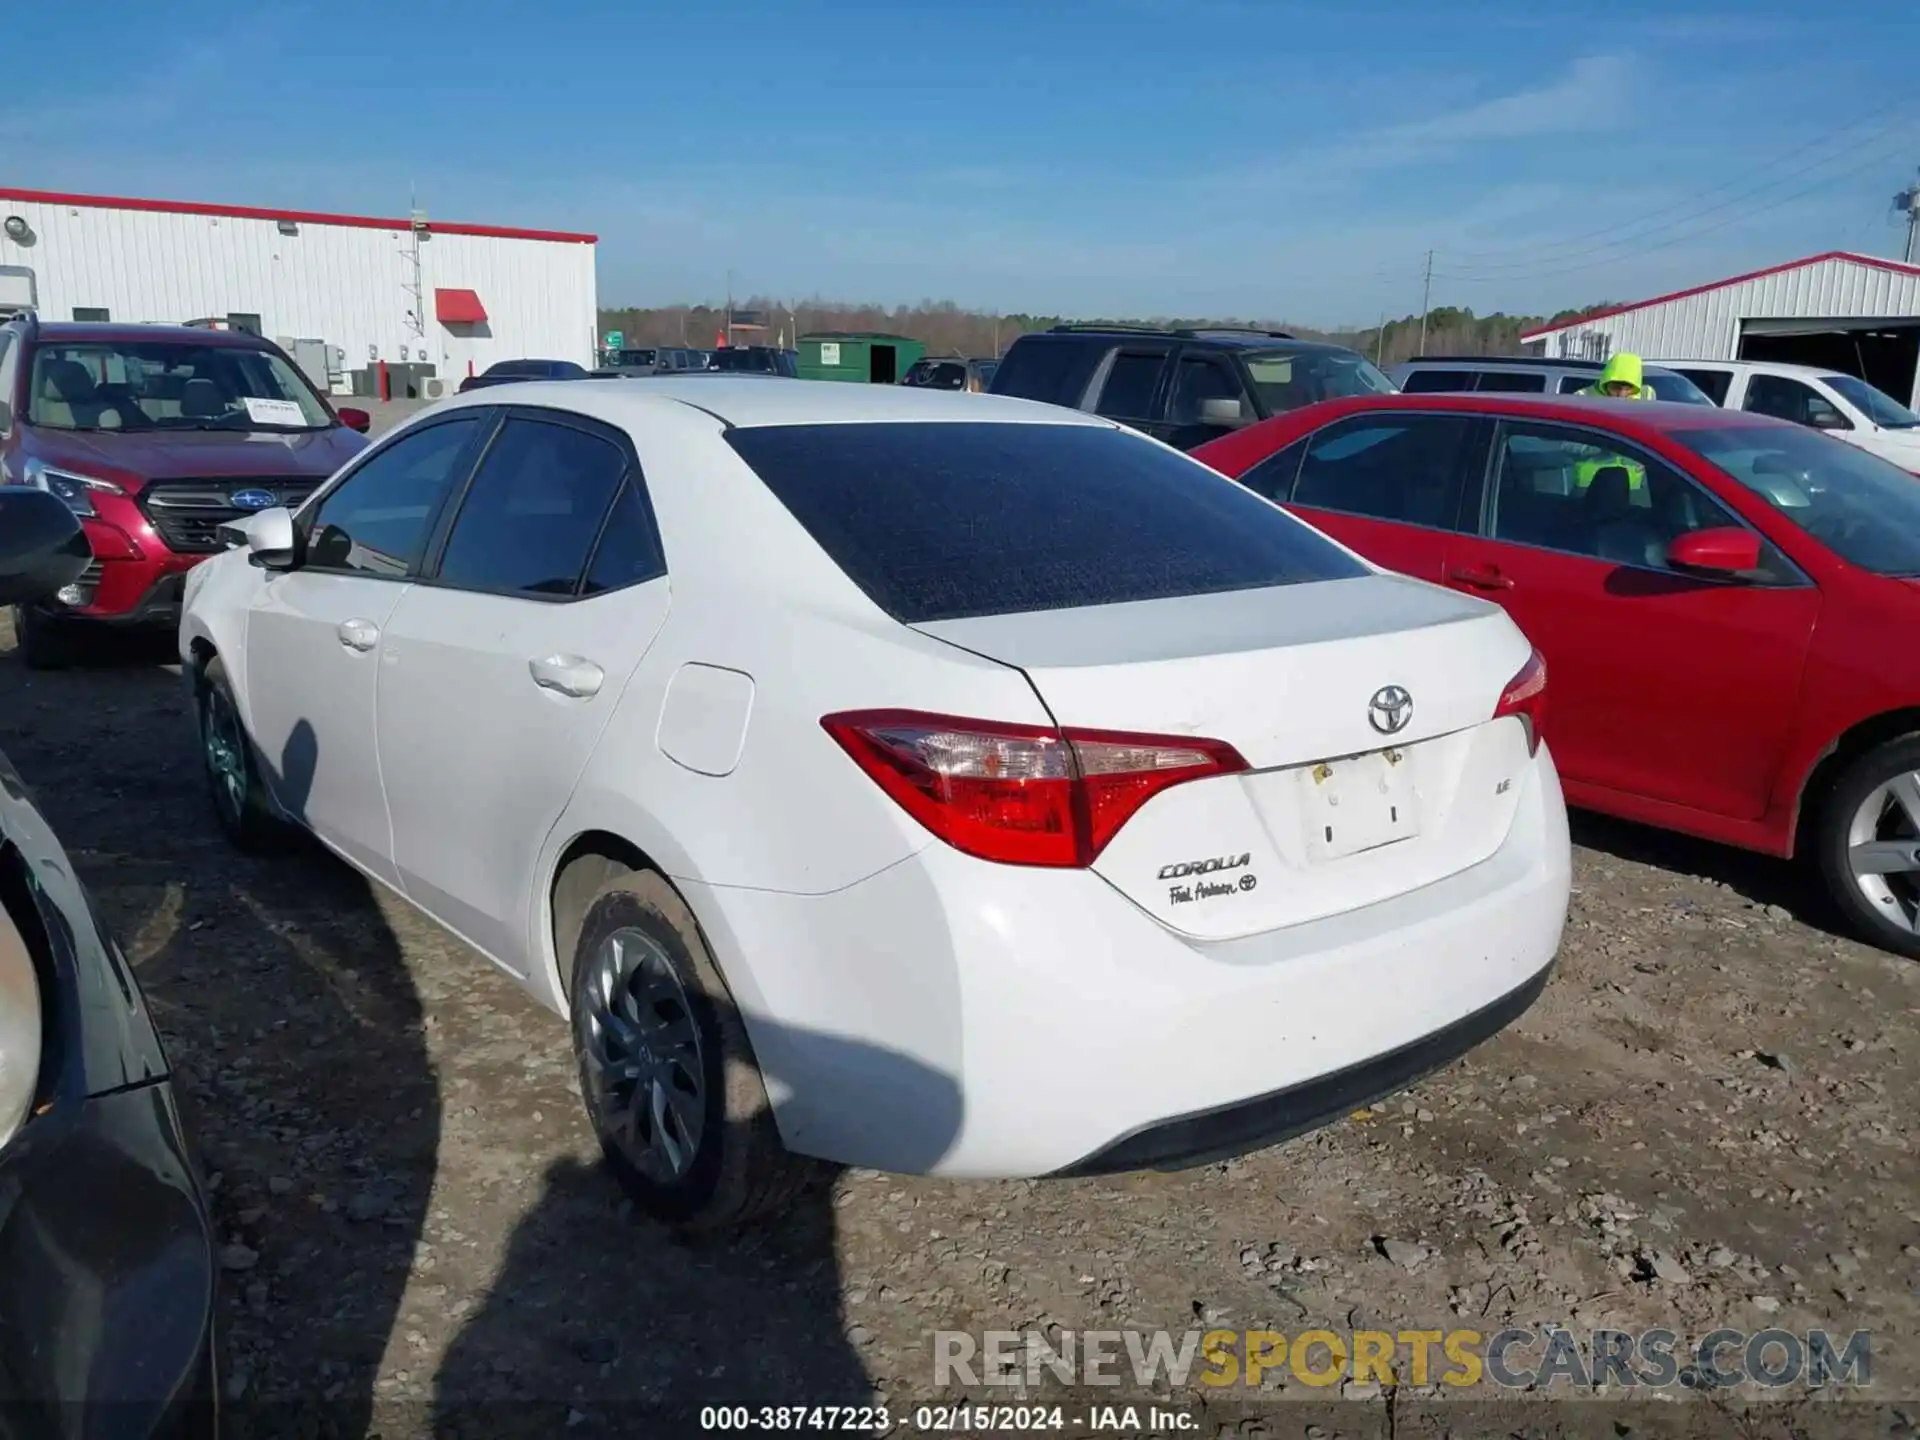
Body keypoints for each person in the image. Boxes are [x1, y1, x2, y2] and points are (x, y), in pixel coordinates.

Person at [1579, 352, 1652, 400]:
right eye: (1616, 388)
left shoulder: (1646, 397)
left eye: (1627, 389)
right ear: (1606, 385)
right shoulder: (1584, 397)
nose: (1621, 394)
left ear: (1636, 387)